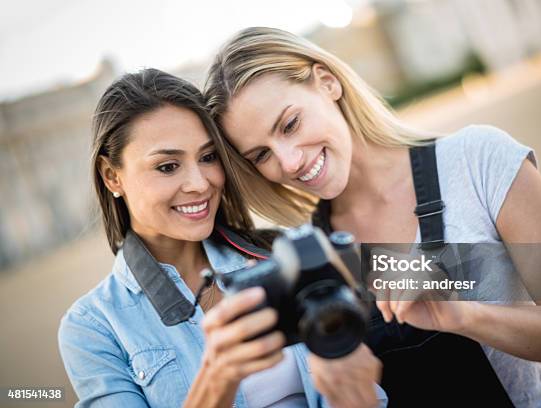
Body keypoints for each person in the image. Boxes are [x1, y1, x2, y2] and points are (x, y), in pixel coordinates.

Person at [203, 27, 541, 407]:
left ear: (327, 82)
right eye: (261, 155)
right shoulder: (308, 256)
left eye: (290, 124)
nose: (289, 162)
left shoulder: (479, 160)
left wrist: (463, 314)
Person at [57, 68, 387, 408]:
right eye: (168, 166)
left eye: (208, 157)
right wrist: (217, 380)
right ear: (112, 176)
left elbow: (434, 275)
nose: (200, 184)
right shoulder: (92, 328)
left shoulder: (285, 251)